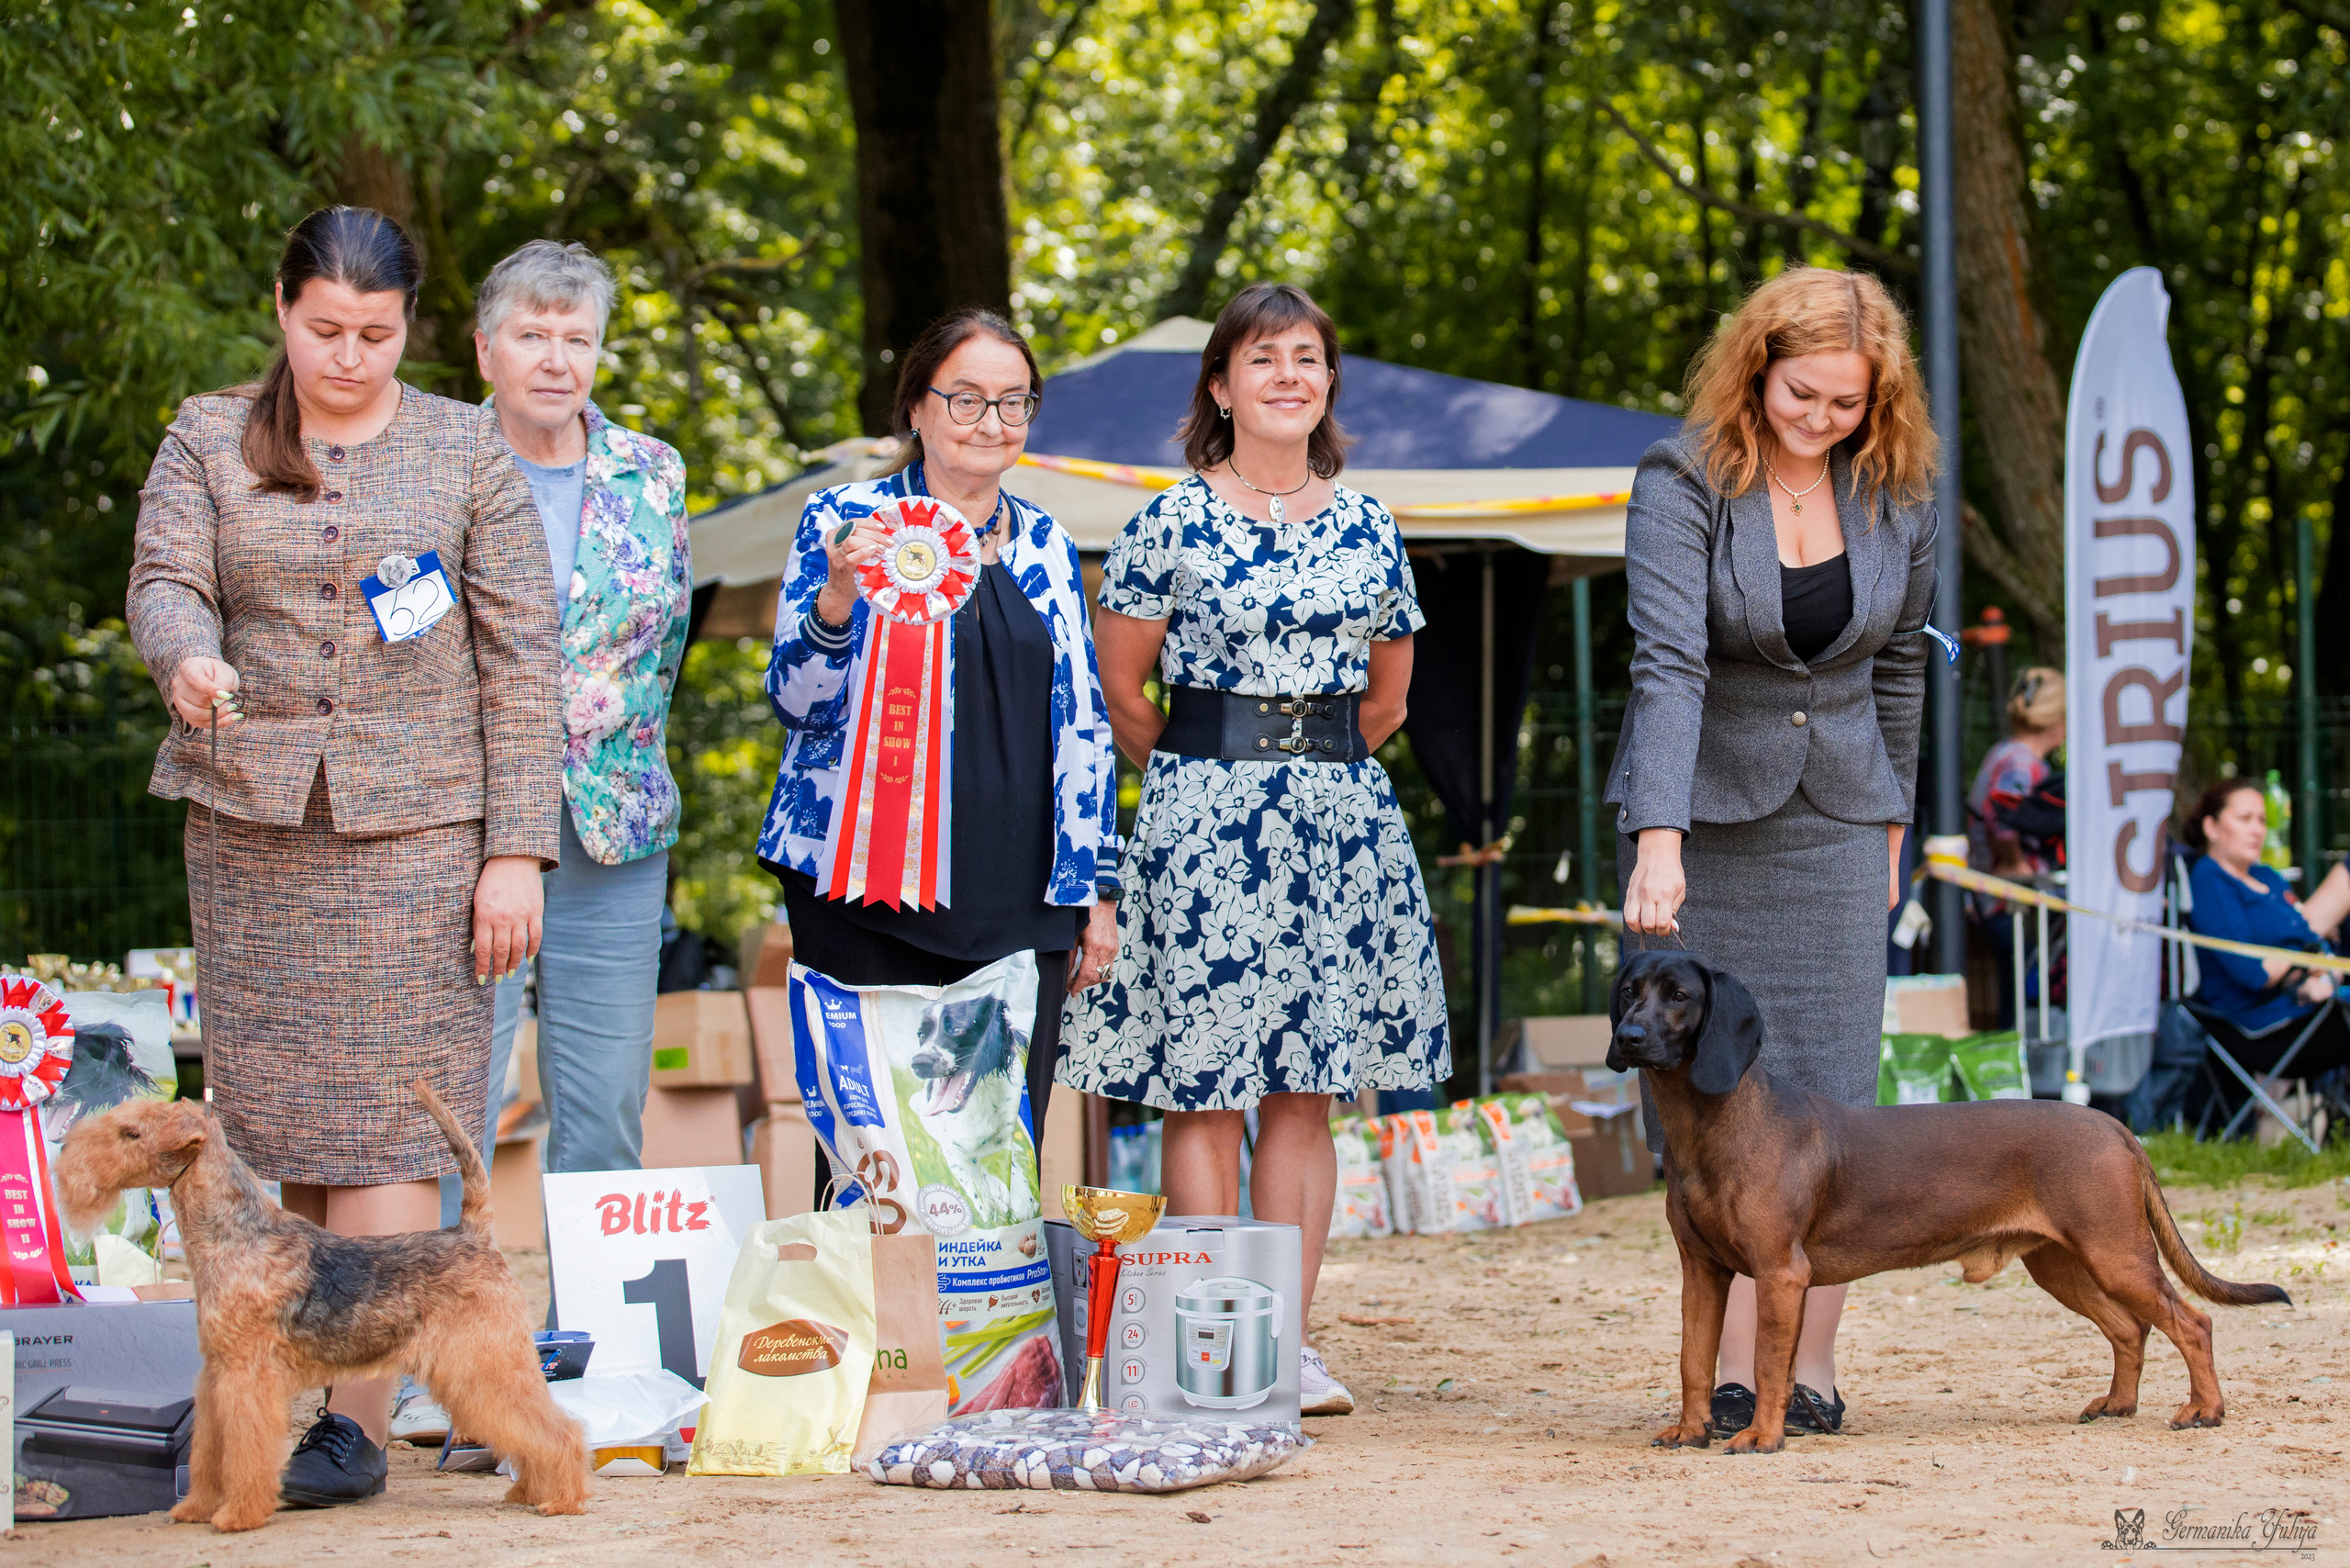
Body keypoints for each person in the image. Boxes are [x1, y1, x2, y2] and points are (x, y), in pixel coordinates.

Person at [128, 206, 559, 1504]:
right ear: (280, 308)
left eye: (376, 335)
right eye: (326, 331)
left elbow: (522, 658)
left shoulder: (466, 449)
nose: (351, 358)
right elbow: (164, 576)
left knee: (382, 1135)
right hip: (254, 833)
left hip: (422, 840)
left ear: (411, 329)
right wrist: (185, 653)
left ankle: (351, 1434)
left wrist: (516, 854)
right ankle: (282, 1407)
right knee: (280, 1135)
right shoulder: (210, 432)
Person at [1062, 282, 1451, 1419]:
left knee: (1304, 1095)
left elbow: (1386, 699)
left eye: (1308, 359)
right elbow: (1122, 688)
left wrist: (1303, 769)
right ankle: (1207, 1342)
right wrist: (1207, 771)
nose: (1288, 375)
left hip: (1338, 826)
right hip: (1199, 822)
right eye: (1263, 358)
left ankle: (1286, 1345)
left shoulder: (1372, 522)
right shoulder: (1165, 521)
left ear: (1328, 384)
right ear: (1222, 386)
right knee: (1205, 1095)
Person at [1607, 265, 1940, 1440]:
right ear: (1756, 369)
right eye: (1803, 394)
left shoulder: (1898, 491)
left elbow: (1898, 664)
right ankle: (1733, 1377)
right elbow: (1667, 666)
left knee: (1834, 1096)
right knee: (1713, 1101)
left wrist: (1894, 816)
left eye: (1845, 404)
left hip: (1843, 816)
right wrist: (1660, 839)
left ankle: (1808, 1373)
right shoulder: (1681, 477)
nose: (1821, 420)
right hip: (1703, 822)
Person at [755, 308, 1120, 1146]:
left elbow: (1086, 725)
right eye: (964, 399)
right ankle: (874, 1284)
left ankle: (992, 1284)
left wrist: (1097, 889)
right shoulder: (845, 520)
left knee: (994, 1144)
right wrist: (839, 601)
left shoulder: (1051, 546)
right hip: (863, 887)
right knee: (878, 1147)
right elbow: (797, 702)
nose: (990, 423)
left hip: (1024, 895)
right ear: (915, 408)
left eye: (1013, 402)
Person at [2179, 779, 2350, 1109]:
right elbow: (2252, 972)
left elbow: (2314, 942)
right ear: (2211, 827)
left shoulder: (2269, 877)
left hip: (2310, 1005)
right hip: (2261, 1026)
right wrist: (2305, 966)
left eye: (2262, 820)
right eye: (2245, 819)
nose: (2257, 830)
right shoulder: (2209, 880)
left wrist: (2317, 973)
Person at [1965, 667, 2066, 1025]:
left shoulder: (2006, 752)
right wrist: (2017, 864)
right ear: (2059, 719)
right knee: (2020, 1005)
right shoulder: (2022, 764)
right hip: (2009, 905)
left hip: (1995, 902)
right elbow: (2004, 821)